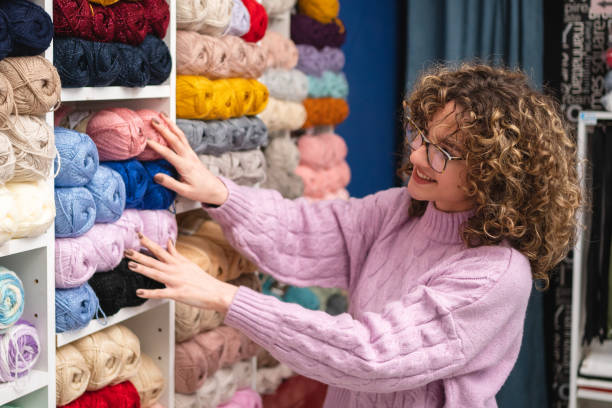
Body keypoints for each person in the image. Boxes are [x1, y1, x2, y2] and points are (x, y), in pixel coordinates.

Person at [124, 63, 581, 407]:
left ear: (493, 173)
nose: (418, 155)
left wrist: (226, 299)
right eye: (421, 134)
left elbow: (370, 354)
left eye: (443, 151)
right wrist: (219, 193)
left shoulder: (495, 274)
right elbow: (302, 230)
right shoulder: (401, 211)